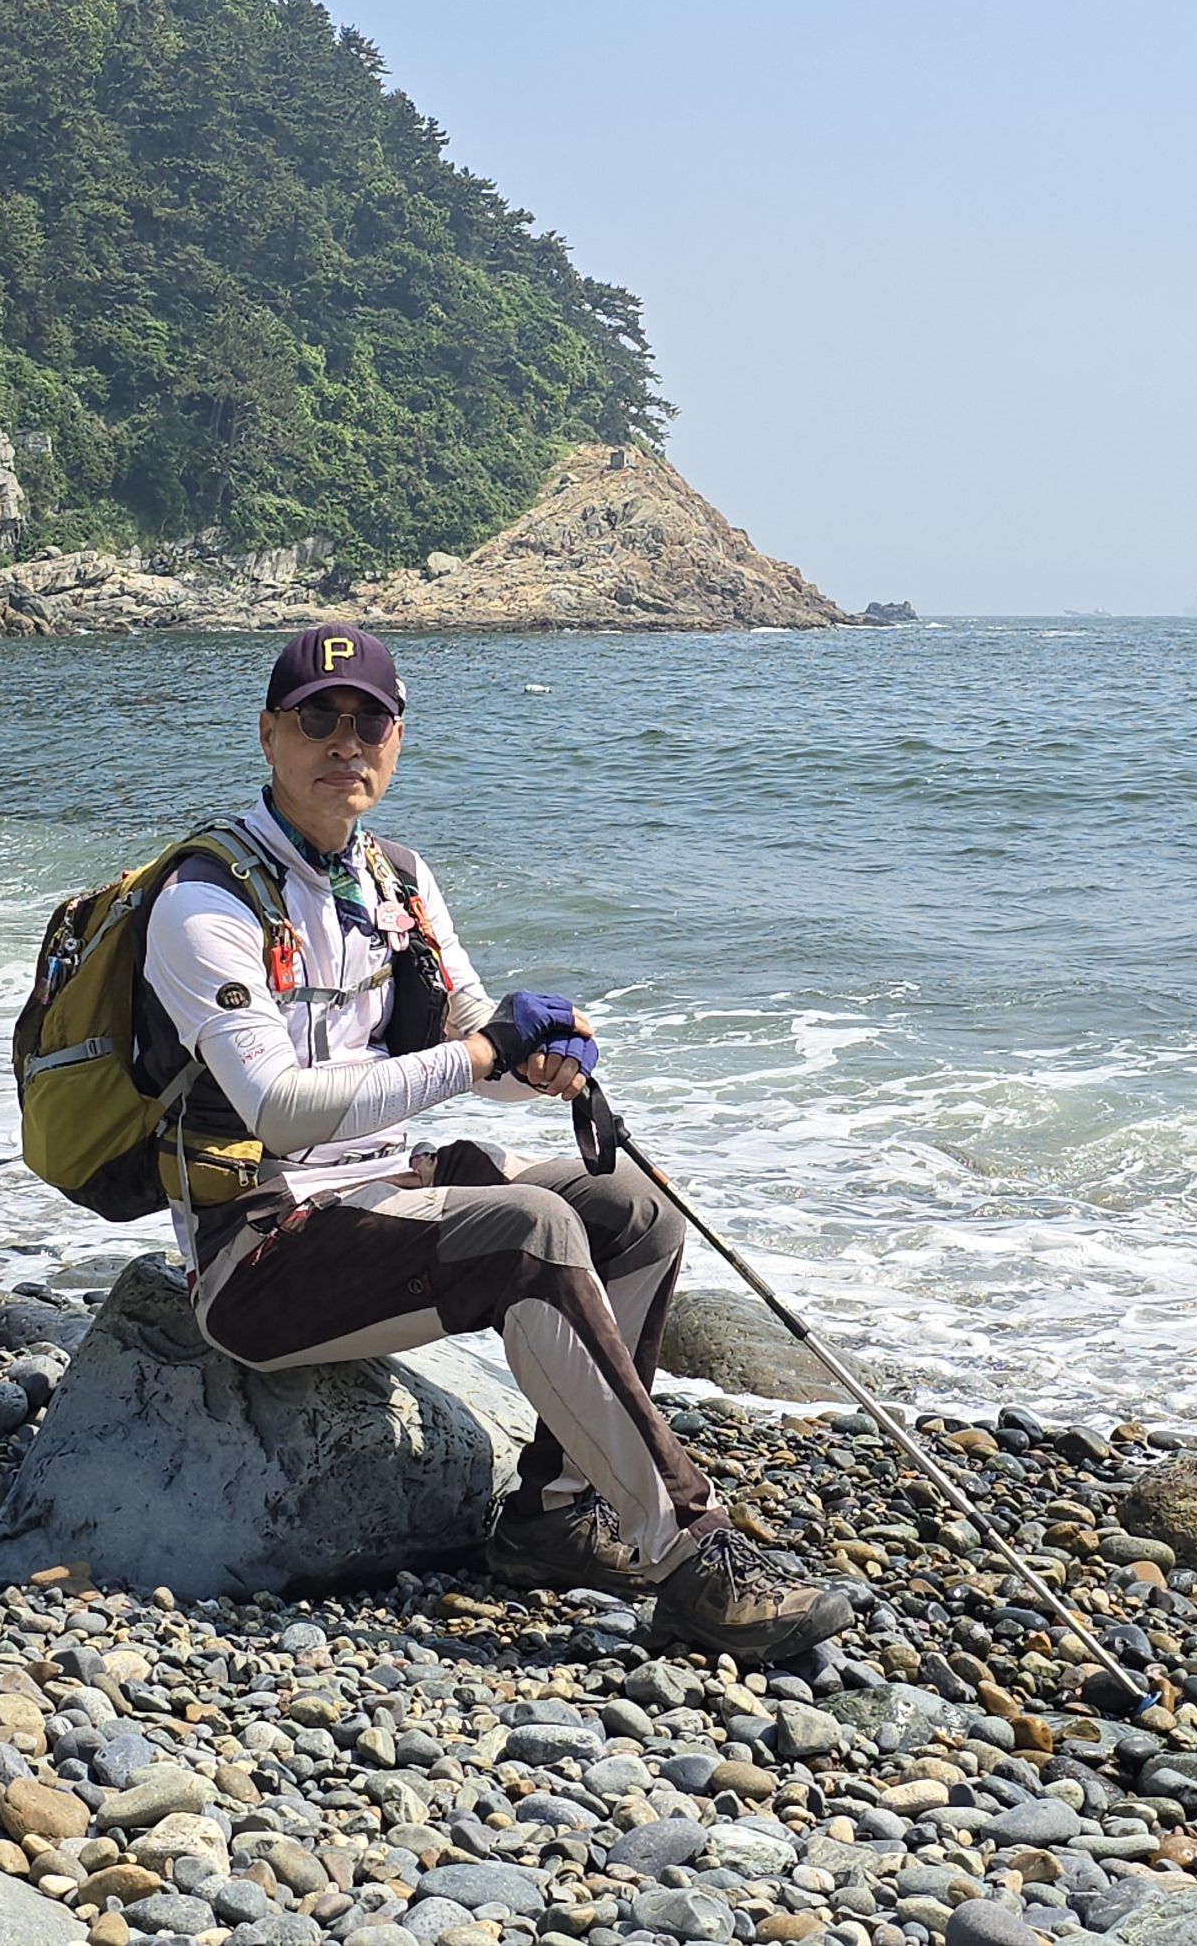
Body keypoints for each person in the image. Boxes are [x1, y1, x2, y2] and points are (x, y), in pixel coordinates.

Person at [137, 622, 852, 1662]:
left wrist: (543, 1058)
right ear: (268, 734)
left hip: (380, 1190)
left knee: (633, 1210)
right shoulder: (205, 900)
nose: (345, 742)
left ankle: (553, 1517)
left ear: (397, 739)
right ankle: (694, 1559)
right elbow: (279, 1108)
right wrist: (480, 1054)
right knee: (529, 1228)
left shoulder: (397, 879)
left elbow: (471, 1029)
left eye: (369, 721)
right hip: (258, 1250)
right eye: (318, 717)